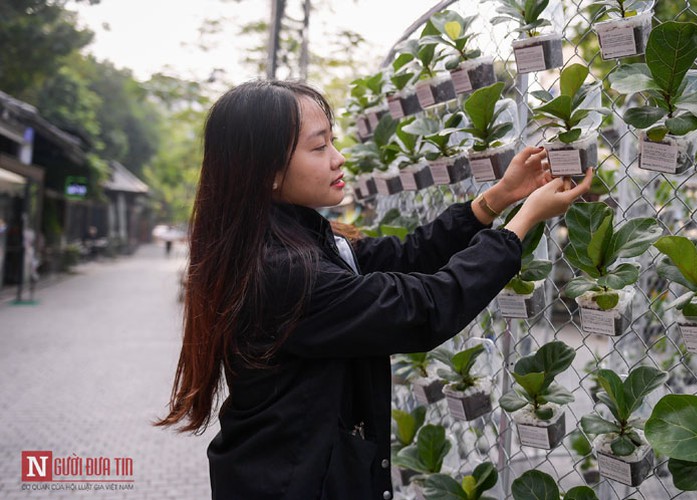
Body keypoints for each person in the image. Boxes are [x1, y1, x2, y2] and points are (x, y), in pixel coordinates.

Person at [156, 80, 592, 499]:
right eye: (319, 146)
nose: (338, 158)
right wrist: (522, 223)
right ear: (268, 172)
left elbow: (404, 256)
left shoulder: (296, 238)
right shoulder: (282, 271)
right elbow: (423, 308)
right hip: (295, 483)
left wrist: (497, 198)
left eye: (333, 141)